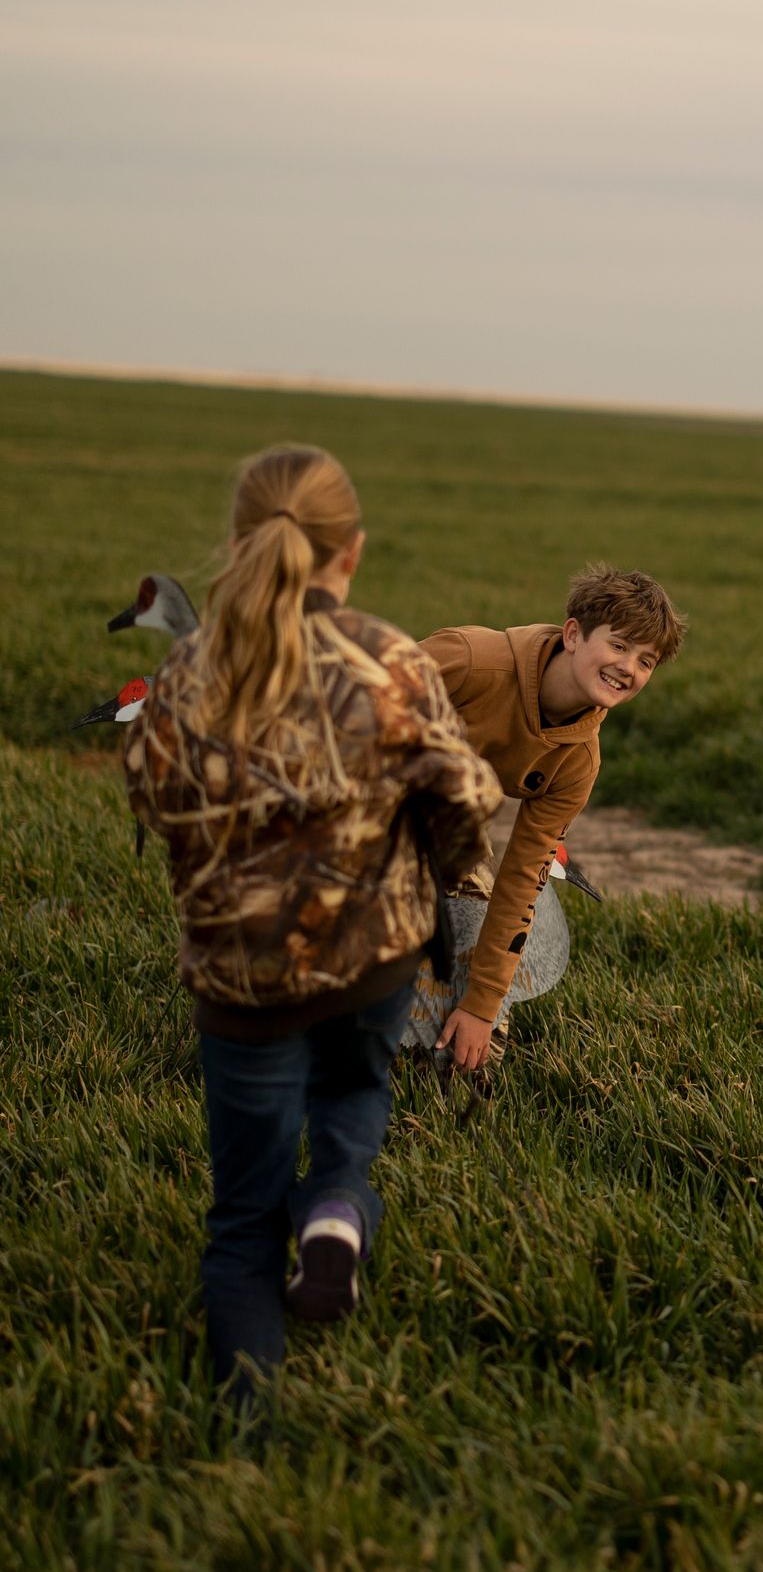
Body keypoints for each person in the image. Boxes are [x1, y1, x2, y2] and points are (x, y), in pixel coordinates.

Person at [124, 444, 500, 1396]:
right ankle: (337, 1211)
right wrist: (441, 870)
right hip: (370, 965)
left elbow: (153, 796)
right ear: (351, 553)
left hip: (239, 983)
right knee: (351, 1096)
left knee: (240, 1227)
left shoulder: (188, 671)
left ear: (243, 544)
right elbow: (465, 797)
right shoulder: (391, 660)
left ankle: (242, 1435)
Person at [419, 566, 684, 1073]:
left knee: (476, 1040)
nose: (629, 667)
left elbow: (524, 877)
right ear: (572, 635)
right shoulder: (471, 661)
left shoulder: (579, 760)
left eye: (646, 660)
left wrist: (482, 1001)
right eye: (621, 646)